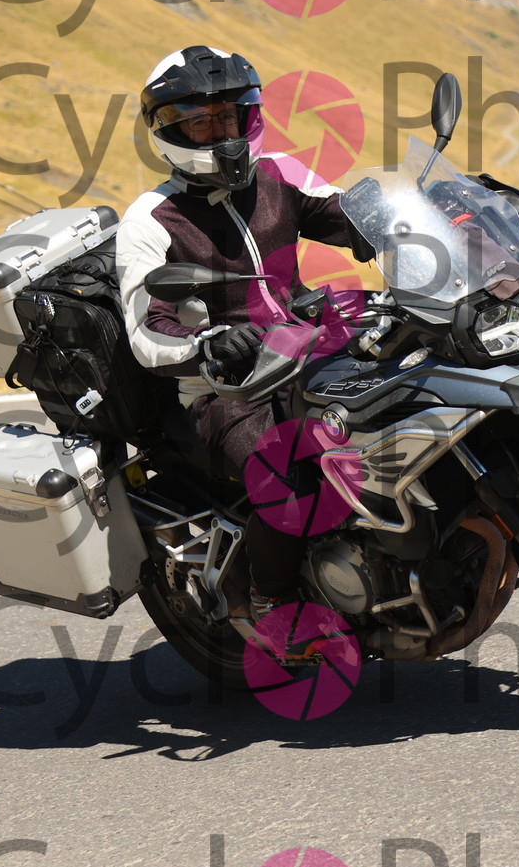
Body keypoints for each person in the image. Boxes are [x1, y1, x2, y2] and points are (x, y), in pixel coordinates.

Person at [116, 45, 369, 623]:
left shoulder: (278, 173)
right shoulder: (151, 220)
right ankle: (273, 603)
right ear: (169, 130)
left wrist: (441, 220)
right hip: (226, 391)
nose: (222, 135)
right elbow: (147, 333)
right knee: (291, 481)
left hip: (311, 353)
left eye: (229, 117)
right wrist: (207, 346)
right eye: (201, 123)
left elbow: (352, 216)